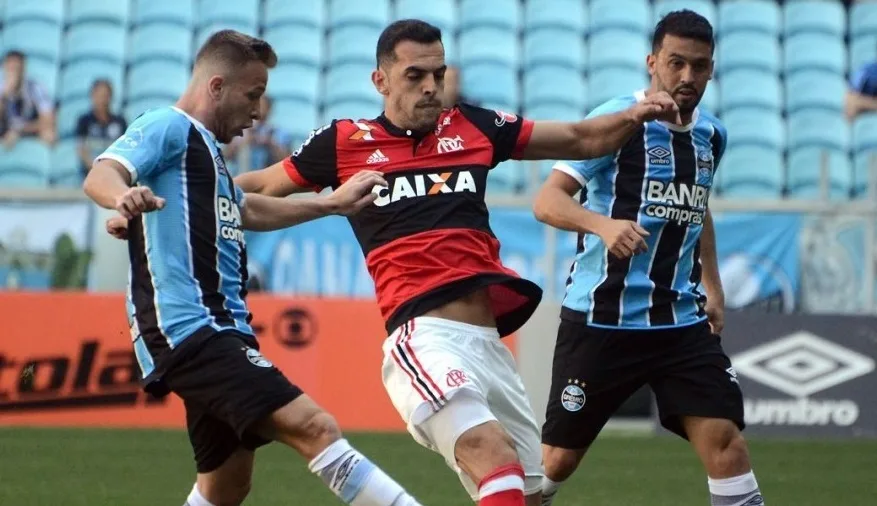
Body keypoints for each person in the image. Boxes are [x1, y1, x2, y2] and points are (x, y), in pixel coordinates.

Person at [233, 19, 679, 506]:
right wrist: (195, 186)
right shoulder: (343, 142)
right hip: (423, 338)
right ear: (380, 80)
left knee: (528, 493)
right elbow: (256, 190)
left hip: (490, 347)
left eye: (438, 74)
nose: (430, 87)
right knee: (495, 460)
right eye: (415, 75)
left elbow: (580, 138)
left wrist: (637, 114)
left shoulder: (472, 125)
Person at [84, 30, 423, 506]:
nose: (258, 111)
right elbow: (103, 173)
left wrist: (331, 206)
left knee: (227, 485)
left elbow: (248, 210)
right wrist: (121, 196)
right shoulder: (167, 126)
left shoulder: (207, 155)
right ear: (216, 86)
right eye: (254, 94)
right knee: (315, 427)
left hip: (222, 327)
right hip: (189, 327)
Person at [533, 11, 765, 506]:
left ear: (711, 69)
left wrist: (714, 285)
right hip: (602, 319)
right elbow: (547, 201)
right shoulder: (617, 120)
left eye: (698, 66)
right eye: (675, 63)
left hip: (679, 322)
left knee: (726, 445)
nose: (687, 77)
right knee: (556, 462)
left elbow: (697, 208)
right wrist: (602, 224)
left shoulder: (713, 136)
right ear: (652, 62)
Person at [223, 94, 292, 174]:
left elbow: (288, 162)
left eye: (261, 105)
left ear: (269, 108)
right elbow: (224, 156)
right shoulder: (238, 131)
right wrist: (241, 142)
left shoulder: (279, 133)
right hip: (239, 180)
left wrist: (270, 143)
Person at [0, 50, 56, 146]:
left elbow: (48, 120)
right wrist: (4, 97)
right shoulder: (2, 90)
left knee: (49, 135)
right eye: (10, 69)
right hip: (7, 132)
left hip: (30, 130)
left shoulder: (35, 88)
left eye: (16, 69)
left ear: (23, 69)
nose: (13, 73)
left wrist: (19, 131)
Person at [76, 79, 127, 179]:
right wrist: (96, 168)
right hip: (90, 172)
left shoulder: (120, 121)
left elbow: (124, 149)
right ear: (92, 96)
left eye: (105, 96)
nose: (102, 100)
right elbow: (81, 149)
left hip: (114, 172)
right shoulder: (84, 121)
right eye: (99, 96)